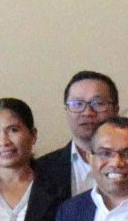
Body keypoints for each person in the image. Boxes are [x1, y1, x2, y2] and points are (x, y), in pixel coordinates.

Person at [37, 70, 119, 205]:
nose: (87, 112)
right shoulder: (41, 170)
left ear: (116, 110)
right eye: (77, 104)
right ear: (66, 111)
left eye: (98, 103)